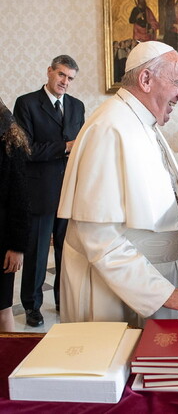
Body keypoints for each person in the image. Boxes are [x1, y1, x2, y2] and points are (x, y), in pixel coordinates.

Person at [57, 41, 178, 327]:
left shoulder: (143, 123)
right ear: (145, 79)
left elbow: (166, 206)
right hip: (113, 293)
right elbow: (100, 237)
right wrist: (161, 292)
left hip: (151, 281)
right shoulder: (109, 128)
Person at [14, 55, 85, 327]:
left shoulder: (77, 106)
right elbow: (26, 149)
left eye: (70, 78)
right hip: (40, 192)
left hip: (70, 192)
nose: (65, 82)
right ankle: (32, 306)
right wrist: (66, 147)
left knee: (68, 253)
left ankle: (63, 300)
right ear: (49, 72)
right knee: (37, 253)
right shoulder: (27, 103)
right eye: (61, 75)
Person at [0, 99, 30, 331]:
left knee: (3, 309)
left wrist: (17, 247)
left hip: (2, 239)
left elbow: (20, 199)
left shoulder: (10, 142)